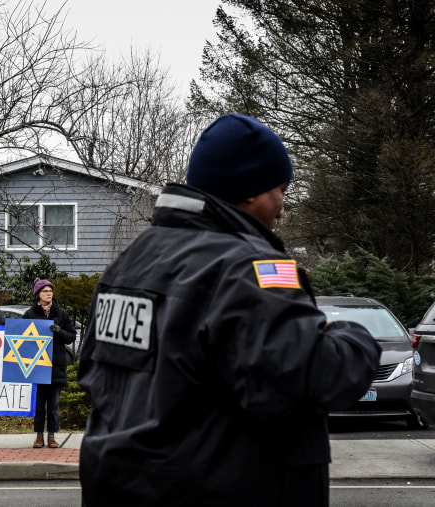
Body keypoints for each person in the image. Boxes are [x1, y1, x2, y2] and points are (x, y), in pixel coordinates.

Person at [77, 113, 382, 506]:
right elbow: (304, 374)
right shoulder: (247, 268)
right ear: (251, 190)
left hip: (123, 485)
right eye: (281, 190)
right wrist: (355, 338)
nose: (282, 209)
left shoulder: (131, 263)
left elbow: (94, 374)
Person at [23, 278, 76, 449]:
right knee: (39, 405)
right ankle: (39, 436)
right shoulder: (30, 314)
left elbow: (71, 335)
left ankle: (52, 436)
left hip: (56, 365)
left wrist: (59, 332)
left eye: (50, 290)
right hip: (37, 366)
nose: (49, 293)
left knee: (53, 405)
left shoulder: (62, 314)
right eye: (45, 291)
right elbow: (21, 338)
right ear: (37, 294)